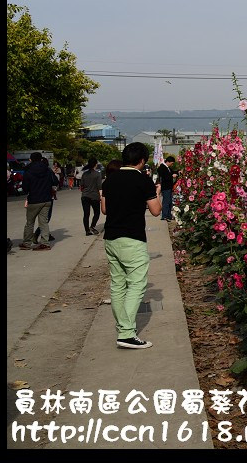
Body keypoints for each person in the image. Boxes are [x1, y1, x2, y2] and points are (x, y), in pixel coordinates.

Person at [101, 142, 161, 349]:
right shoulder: (143, 180)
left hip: (111, 237)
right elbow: (156, 211)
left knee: (118, 285)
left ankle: (122, 329)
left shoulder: (110, 179)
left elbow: (105, 210)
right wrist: (157, 192)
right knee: (136, 284)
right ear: (142, 160)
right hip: (132, 238)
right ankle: (126, 334)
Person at [21, 153, 56, 251]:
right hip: (47, 199)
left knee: (30, 222)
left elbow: (25, 188)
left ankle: (27, 243)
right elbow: (55, 181)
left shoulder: (28, 171)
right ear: (41, 159)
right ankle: (45, 243)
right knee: (44, 222)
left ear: (31, 160)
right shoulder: (47, 170)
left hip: (34, 199)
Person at [79, 157, 103, 235]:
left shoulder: (84, 174)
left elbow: (81, 185)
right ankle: (92, 226)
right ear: (95, 164)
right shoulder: (98, 174)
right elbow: (99, 186)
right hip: (94, 196)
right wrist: (101, 196)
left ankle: (87, 231)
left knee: (86, 214)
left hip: (85, 196)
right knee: (96, 213)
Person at [156, 155, 176, 221]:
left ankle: (168, 215)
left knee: (169, 202)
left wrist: (177, 172)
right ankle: (164, 215)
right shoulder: (162, 167)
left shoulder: (167, 168)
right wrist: (171, 176)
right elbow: (165, 176)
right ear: (168, 162)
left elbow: (172, 172)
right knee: (166, 201)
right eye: (172, 163)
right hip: (166, 187)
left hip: (169, 187)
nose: (172, 165)